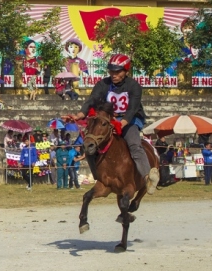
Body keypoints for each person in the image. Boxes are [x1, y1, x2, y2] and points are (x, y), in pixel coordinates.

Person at [62, 54, 159, 194]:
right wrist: (78, 116)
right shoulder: (103, 84)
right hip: (107, 120)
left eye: (117, 72)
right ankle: (99, 177)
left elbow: (132, 109)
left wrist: (121, 124)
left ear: (126, 71)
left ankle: (147, 178)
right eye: (111, 71)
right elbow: (91, 101)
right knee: (89, 144)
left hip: (130, 120)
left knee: (134, 145)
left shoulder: (134, 86)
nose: (113, 74)